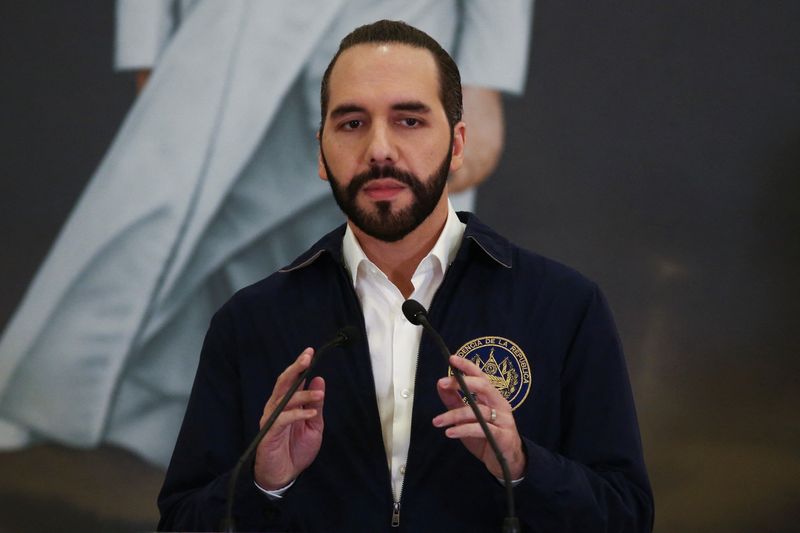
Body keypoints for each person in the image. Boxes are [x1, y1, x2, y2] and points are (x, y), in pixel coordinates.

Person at [158, 20, 654, 532]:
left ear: (458, 144)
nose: (379, 149)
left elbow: (626, 515)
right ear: (321, 153)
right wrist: (264, 485)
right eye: (351, 123)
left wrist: (524, 465)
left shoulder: (563, 307)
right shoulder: (250, 321)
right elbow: (180, 521)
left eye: (409, 121)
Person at [0, 0, 532, 467]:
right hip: (232, 24)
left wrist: (485, 73)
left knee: (392, 251)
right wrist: (148, 41)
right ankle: (63, 393)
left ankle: (381, 454)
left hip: (406, 22)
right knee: (167, 226)